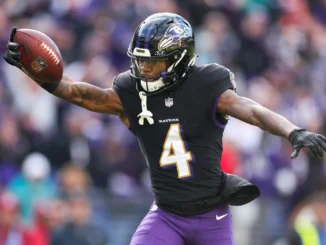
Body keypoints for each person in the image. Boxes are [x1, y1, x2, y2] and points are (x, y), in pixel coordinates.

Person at [4, 12, 326, 245]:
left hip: (211, 216)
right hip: (167, 215)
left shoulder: (208, 84)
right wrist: (39, 74)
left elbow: (252, 111)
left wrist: (291, 131)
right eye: (140, 60)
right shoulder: (131, 91)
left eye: (152, 62)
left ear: (179, 59)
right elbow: (80, 93)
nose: (143, 68)